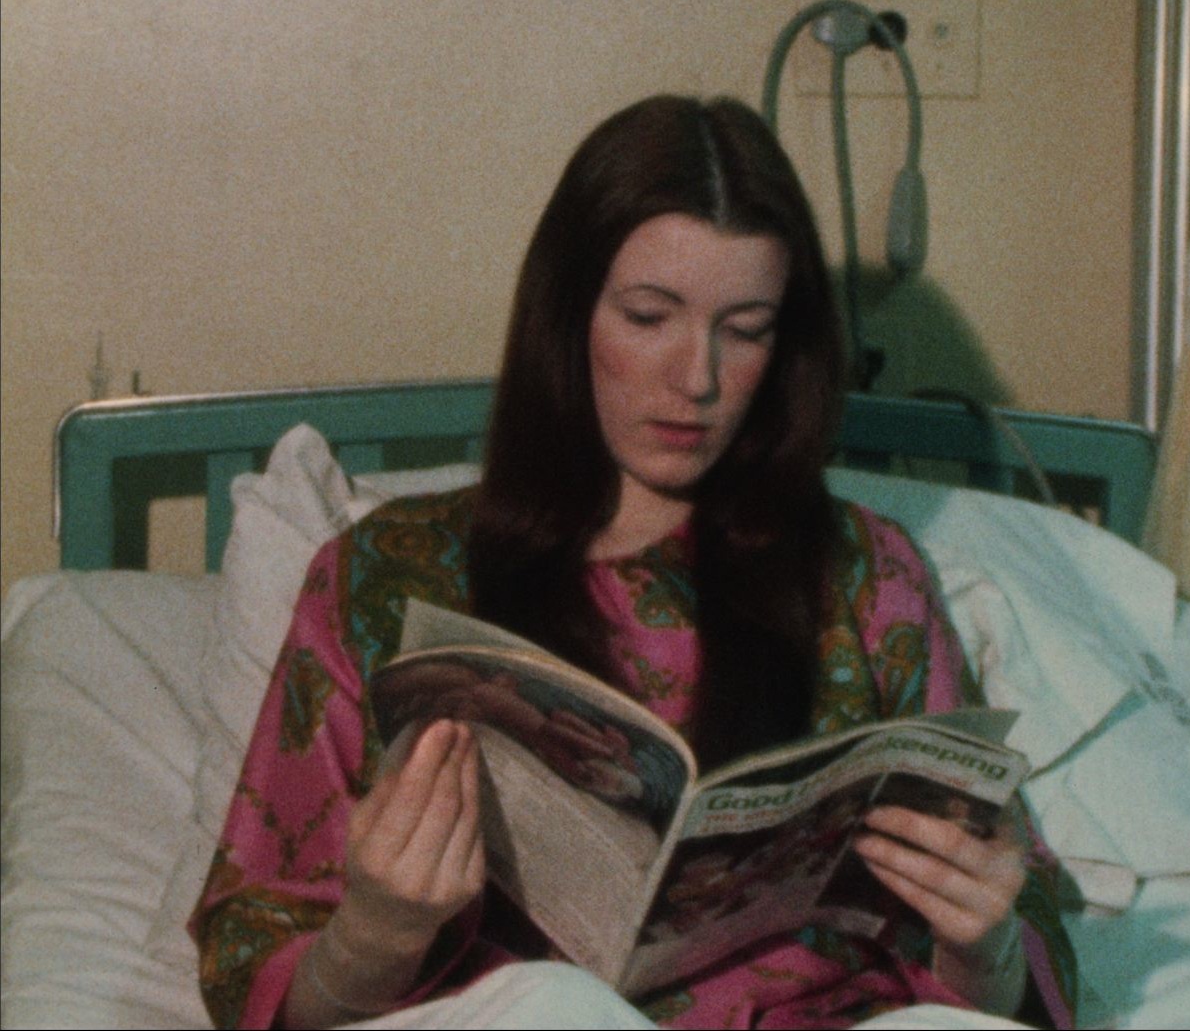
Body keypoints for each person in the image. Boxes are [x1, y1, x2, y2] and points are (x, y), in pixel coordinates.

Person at [189, 95, 1074, 1030]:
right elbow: (257, 960)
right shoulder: (385, 577)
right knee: (553, 1002)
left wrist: (985, 943)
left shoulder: (868, 578)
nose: (697, 379)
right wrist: (377, 933)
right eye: (649, 317)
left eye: (746, 329)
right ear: (568, 314)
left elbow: (1030, 957)